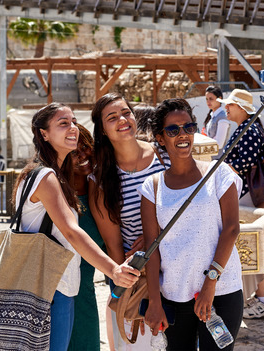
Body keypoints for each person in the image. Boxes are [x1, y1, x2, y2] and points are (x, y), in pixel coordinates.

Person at [13, 102, 140, 351]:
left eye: (73, 121)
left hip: (58, 285)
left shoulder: (51, 176)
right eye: (63, 124)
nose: (72, 128)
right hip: (49, 287)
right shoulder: (45, 177)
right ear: (44, 134)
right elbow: (72, 231)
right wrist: (114, 271)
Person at [140, 98, 243, 351]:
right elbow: (151, 249)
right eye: (173, 130)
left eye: (188, 127)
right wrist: (155, 301)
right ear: (161, 138)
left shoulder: (219, 173)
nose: (183, 135)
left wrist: (210, 283)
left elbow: (232, 228)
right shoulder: (152, 187)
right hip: (175, 294)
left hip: (222, 289)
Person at [88, 93, 170, 350]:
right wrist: (130, 290)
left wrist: (152, 237)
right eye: (112, 117)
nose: (122, 120)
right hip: (142, 274)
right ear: (102, 130)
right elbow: (113, 245)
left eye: (126, 112)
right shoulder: (100, 178)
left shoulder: (163, 156)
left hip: (178, 266)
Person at [218, 89, 264, 319]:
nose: (226, 108)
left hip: (250, 197)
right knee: (256, 249)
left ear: (241, 108)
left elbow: (243, 163)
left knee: (252, 250)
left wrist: (217, 169)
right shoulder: (249, 128)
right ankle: (262, 298)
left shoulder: (248, 131)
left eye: (230, 105)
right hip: (252, 195)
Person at [67, 124, 106, 351]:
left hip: (85, 299)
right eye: (73, 150)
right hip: (53, 300)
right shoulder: (55, 194)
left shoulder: (101, 190)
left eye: (86, 146)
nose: (82, 154)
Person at [203, 86, 232, 158]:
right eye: (206, 99)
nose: (208, 102)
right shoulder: (213, 115)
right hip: (211, 158)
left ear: (219, 99)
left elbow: (219, 144)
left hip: (218, 160)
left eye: (211, 99)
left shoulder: (222, 117)